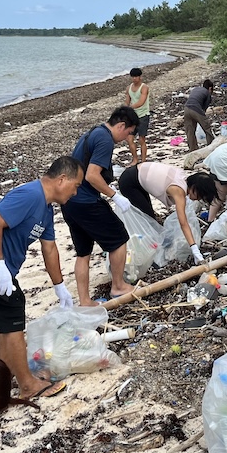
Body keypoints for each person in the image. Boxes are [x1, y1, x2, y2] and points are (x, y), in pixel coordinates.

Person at [0, 156, 83, 400]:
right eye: (75, 185)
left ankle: (3, 378)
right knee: (12, 320)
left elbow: (50, 249)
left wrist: (60, 287)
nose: (75, 192)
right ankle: (27, 385)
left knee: (6, 323)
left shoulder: (46, 210)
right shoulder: (30, 195)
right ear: (62, 179)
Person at [63, 106, 140, 305]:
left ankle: (85, 300)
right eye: (128, 132)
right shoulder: (105, 139)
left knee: (83, 252)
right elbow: (92, 175)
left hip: (68, 201)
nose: (126, 137)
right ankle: (118, 286)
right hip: (86, 201)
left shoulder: (92, 133)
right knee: (119, 238)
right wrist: (115, 196)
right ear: (122, 125)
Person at [117, 162, 221, 263]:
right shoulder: (179, 191)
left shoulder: (183, 178)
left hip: (137, 174)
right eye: (200, 196)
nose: (198, 199)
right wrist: (195, 250)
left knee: (149, 217)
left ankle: (149, 248)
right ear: (194, 188)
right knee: (147, 220)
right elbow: (183, 223)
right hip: (129, 181)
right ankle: (143, 252)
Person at [124, 67, 150, 165]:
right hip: (132, 117)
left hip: (143, 115)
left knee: (141, 139)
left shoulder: (144, 87)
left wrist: (130, 108)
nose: (134, 79)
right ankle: (135, 159)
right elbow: (127, 101)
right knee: (129, 138)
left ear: (140, 77)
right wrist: (125, 110)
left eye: (136, 77)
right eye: (133, 77)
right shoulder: (129, 88)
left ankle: (143, 161)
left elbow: (141, 102)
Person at [184, 78, 215, 151]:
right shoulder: (207, 93)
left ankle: (193, 149)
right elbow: (203, 109)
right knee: (207, 129)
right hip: (196, 109)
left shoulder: (196, 89)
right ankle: (211, 147)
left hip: (186, 108)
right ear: (210, 88)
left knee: (190, 131)